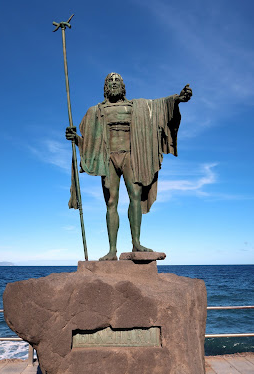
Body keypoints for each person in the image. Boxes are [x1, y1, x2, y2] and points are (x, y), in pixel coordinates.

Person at [66, 73, 192, 260]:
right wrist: (76, 138)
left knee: (135, 196)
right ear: (106, 86)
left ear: (123, 86)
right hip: (108, 158)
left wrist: (177, 99)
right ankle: (112, 250)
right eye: (111, 81)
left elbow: (157, 107)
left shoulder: (135, 106)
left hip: (131, 156)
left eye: (118, 81)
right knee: (110, 202)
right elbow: (90, 143)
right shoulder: (96, 111)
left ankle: (136, 243)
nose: (114, 83)